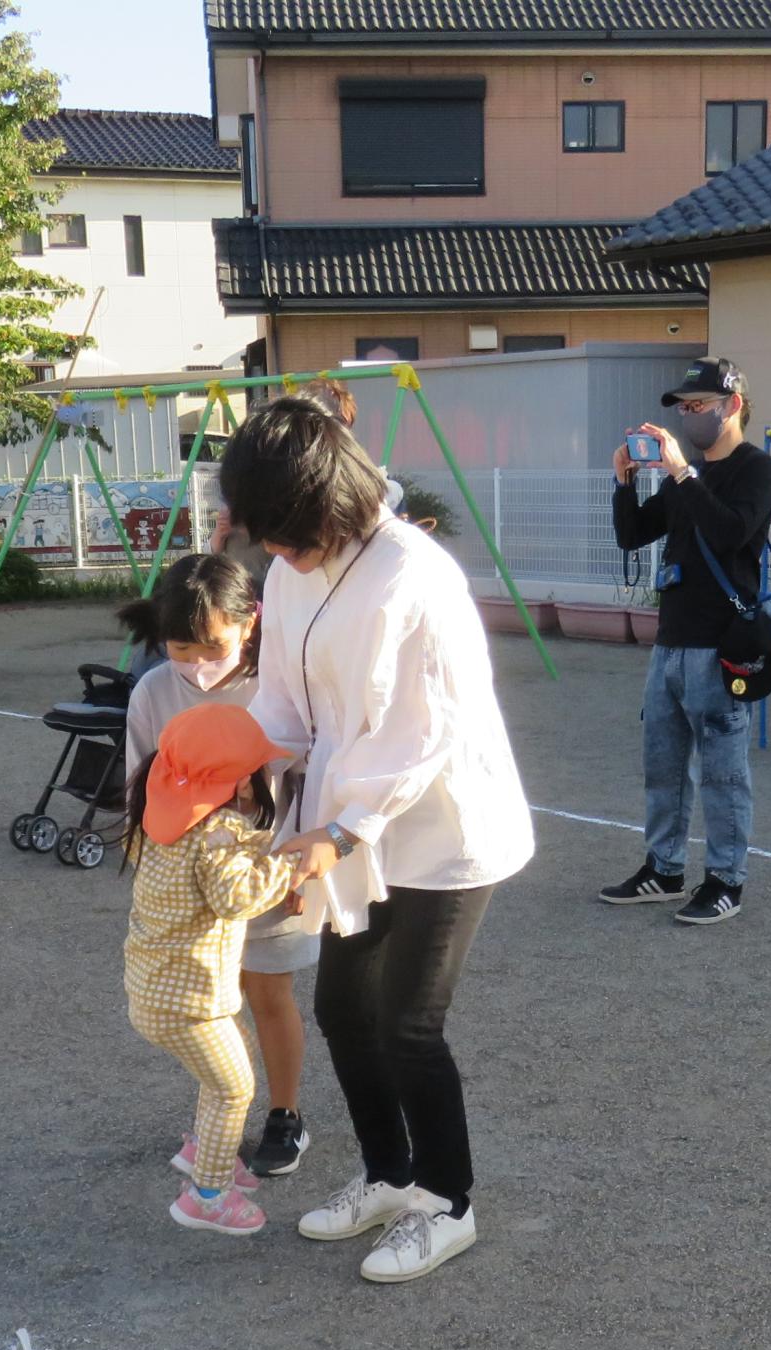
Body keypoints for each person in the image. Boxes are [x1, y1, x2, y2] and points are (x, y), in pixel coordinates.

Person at [224, 398, 535, 1286]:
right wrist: (244, 770)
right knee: (340, 1010)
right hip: (344, 820)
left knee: (408, 1022)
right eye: (268, 539)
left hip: (440, 827)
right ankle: (390, 1175)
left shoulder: (412, 572)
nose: (277, 555)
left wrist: (340, 828)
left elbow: (421, 729)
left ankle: (447, 1202)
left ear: (332, 502)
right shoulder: (291, 570)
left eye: (287, 535)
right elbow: (282, 695)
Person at [122, 554, 318, 1179]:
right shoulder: (154, 690)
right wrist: (149, 871)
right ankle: (220, 1120)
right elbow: (139, 782)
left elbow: (306, 777)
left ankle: (284, 1115)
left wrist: (298, 866)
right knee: (206, 1003)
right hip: (190, 889)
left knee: (268, 990)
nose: (199, 664)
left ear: (250, 624)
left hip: (267, 868)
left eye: (215, 647)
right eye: (182, 649)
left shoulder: (278, 685)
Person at [599, 359, 771, 927]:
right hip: (671, 641)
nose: (686, 415)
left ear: (732, 406)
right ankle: (664, 868)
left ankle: (726, 879)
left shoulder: (756, 470)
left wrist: (683, 476)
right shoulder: (690, 477)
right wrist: (625, 482)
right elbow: (633, 534)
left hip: (721, 644)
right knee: (664, 764)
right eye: (682, 407)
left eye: (697, 404)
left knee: (724, 771)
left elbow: (731, 532)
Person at [124, 704, 305, 1235]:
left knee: (225, 1068)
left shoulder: (164, 815)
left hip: (155, 987)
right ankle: (206, 1196)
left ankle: (207, 1155)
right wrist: (292, 865)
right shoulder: (219, 828)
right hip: (191, 1001)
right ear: (241, 780)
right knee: (233, 1087)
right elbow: (236, 896)